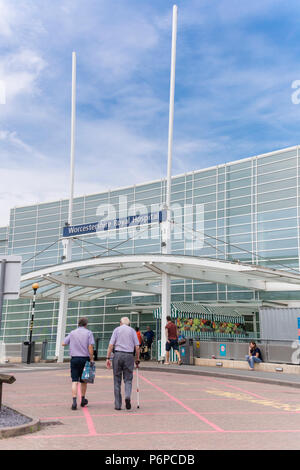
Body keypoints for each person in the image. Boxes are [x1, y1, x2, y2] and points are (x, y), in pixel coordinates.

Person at [106, 317, 140, 410]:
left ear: (121, 322)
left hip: (117, 355)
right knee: (128, 379)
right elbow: (137, 347)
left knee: (117, 380)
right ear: (129, 323)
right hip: (129, 356)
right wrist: (137, 358)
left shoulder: (116, 330)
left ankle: (117, 405)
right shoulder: (132, 331)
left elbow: (110, 345)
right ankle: (127, 396)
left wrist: (108, 358)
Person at [62, 317, 95, 410]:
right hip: (85, 359)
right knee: (84, 380)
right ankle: (83, 400)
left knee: (74, 381)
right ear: (86, 324)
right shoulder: (89, 333)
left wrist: (73, 343)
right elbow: (90, 347)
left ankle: (74, 402)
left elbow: (63, 343)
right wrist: (91, 359)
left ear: (78, 324)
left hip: (74, 359)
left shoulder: (72, 333)